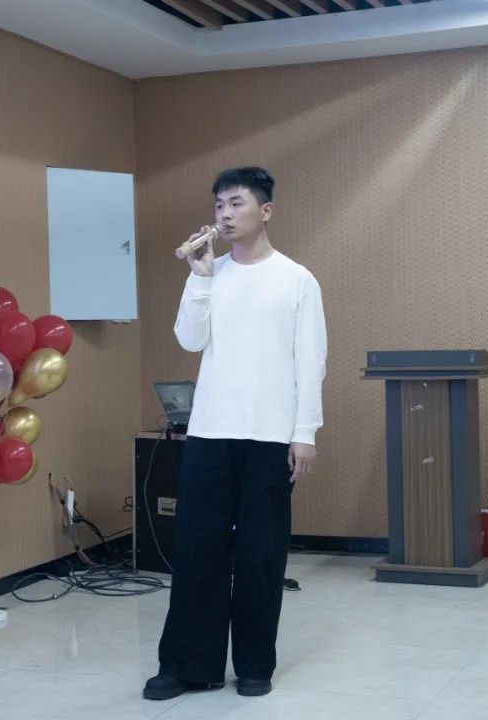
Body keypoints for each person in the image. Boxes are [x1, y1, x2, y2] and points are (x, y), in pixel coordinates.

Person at [144, 167, 327, 701]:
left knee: (260, 554)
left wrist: (305, 432)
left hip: (270, 436)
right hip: (210, 432)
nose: (224, 214)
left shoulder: (296, 279)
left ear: (265, 210)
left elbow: (310, 361)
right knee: (197, 550)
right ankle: (187, 666)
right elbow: (189, 338)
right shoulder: (209, 272)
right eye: (219, 205)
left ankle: (254, 664)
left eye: (236, 203)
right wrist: (199, 278)